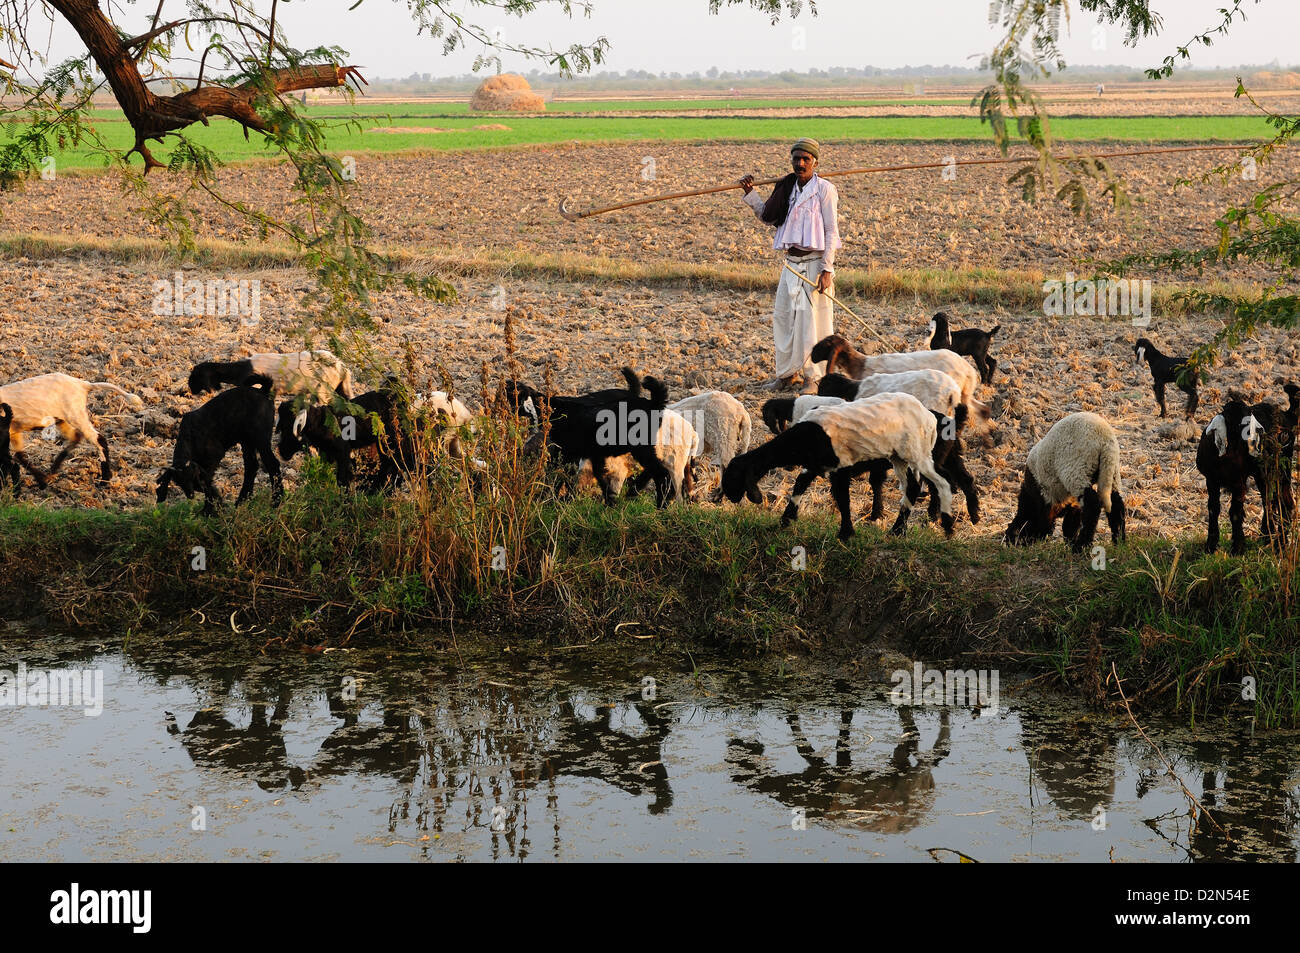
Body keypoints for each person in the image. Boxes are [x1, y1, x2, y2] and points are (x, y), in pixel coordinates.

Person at [740, 137, 842, 393]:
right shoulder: (787, 187)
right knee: (785, 320)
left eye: (806, 159)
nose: (800, 163)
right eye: (796, 159)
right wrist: (749, 193)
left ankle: (813, 378)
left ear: (815, 162)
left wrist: (827, 269)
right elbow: (766, 215)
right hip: (791, 266)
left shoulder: (825, 190)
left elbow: (831, 230)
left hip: (814, 265)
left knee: (812, 323)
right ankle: (787, 375)